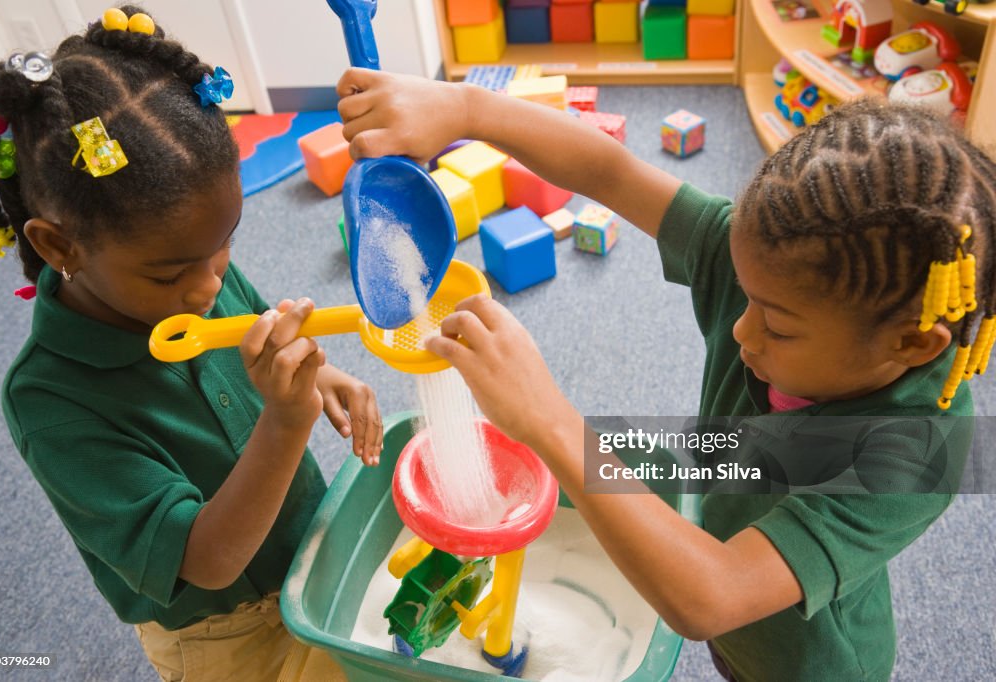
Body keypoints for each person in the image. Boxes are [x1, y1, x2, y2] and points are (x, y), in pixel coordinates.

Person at [335, 68, 996, 680]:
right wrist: (466, 107)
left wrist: (550, 421)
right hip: (726, 539)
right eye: (745, 292)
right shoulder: (777, 268)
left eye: (776, 323)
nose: (740, 327)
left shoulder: (915, 447)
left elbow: (712, 597)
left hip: (803, 662)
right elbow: (609, 170)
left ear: (911, 343)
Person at [0, 7, 381, 681]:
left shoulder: (196, 267)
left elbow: (250, 332)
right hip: (228, 634)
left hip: (310, 547)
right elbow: (207, 559)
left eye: (224, 247)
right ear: (57, 245)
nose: (207, 287)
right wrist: (285, 424)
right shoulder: (50, 401)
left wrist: (319, 374)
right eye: (171, 272)